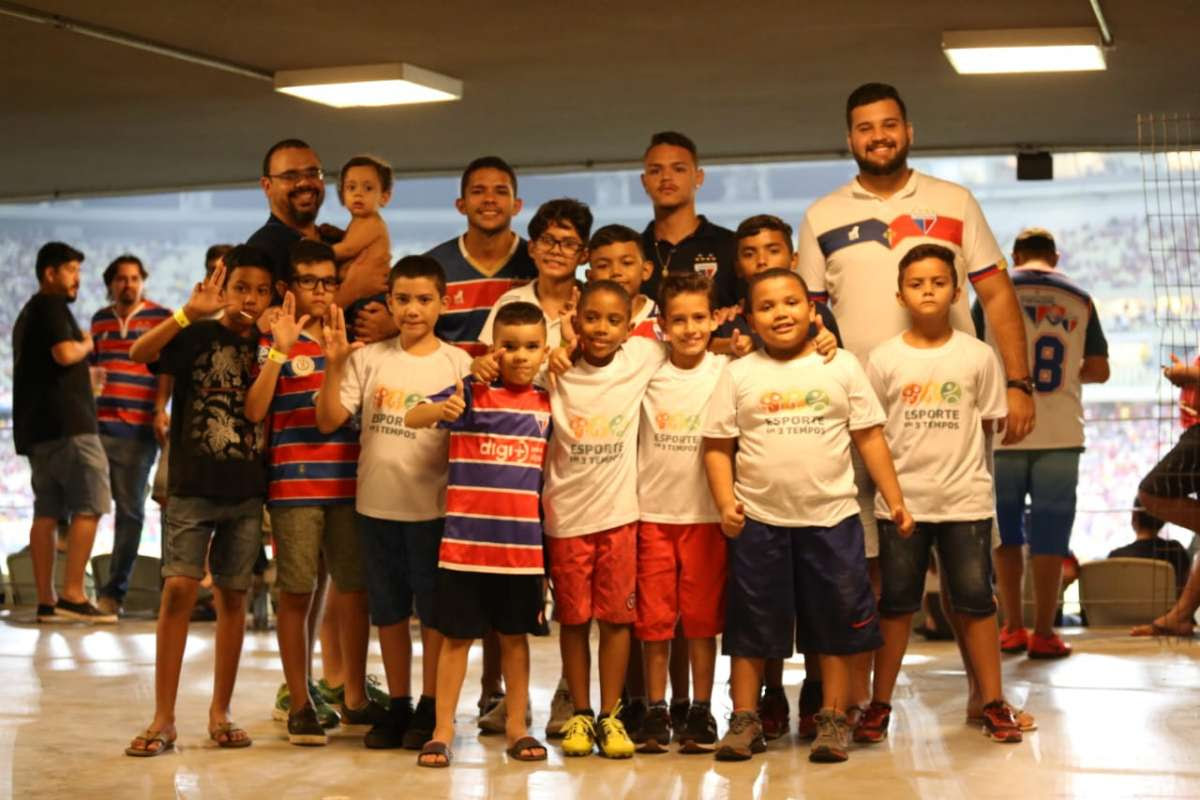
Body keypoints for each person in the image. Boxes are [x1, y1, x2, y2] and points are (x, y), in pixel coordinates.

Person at [797, 81, 1035, 712]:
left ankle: (987, 699)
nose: (879, 136)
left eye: (889, 125)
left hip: (949, 414)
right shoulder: (821, 215)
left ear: (909, 131)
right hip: (860, 419)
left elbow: (997, 296)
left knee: (966, 580)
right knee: (874, 572)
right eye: (865, 128)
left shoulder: (954, 200)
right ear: (849, 139)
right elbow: (806, 317)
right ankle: (860, 702)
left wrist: (1016, 383)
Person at [702, 268, 911, 764]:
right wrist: (725, 502)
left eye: (792, 303)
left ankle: (833, 719)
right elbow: (716, 446)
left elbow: (869, 436)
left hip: (831, 521)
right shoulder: (738, 373)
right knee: (751, 630)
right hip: (759, 523)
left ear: (812, 311)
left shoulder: (841, 367)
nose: (781, 313)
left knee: (836, 628)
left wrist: (894, 498)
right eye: (768, 307)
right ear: (750, 319)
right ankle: (745, 719)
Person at [861, 244, 1021, 745]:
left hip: (966, 503)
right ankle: (879, 705)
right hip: (901, 505)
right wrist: (894, 498)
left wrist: (971, 481)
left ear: (956, 291)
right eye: (916, 283)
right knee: (897, 606)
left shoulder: (978, 356)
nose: (927, 290)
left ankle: (992, 703)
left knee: (976, 602)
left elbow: (989, 430)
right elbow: (872, 433)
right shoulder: (883, 359)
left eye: (937, 282)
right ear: (900, 294)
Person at [315, 255, 472, 750]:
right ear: (389, 302)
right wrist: (335, 362)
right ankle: (399, 704)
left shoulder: (458, 363)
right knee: (387, 613)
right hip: (375, 509)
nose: (412, 309)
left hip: (434, 511)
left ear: (443, 305)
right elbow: (328, 419)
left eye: (424, 299)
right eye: (402, 299)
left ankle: (430, 706)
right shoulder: (369, 359)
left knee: (433, 618)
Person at [124, 245, 273, 755]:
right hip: (190, 486)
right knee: (179, 590)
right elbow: (139, 353)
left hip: (247, 490)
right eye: (240, 288)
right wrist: (189, 311)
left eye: (260, 290)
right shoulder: (196, 332)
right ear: (223, 288)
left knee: (234, 597)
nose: (249, 299)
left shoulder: (274, 342)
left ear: (274, 295)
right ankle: (163, 718)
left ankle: (221, 712)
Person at [244, 240, 382, 746]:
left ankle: (353, 697)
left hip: (351, 485)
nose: (322, 291)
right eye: (310, 281)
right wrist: (280, 349)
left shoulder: (352, 335)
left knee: (354, 590)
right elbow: (255, 411)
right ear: (289, 287)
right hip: (294, 486)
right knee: (297, 591)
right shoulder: (274, 338)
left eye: (329, 281)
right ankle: (300, 702)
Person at [403, 301, 552, 768]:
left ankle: (517, 727)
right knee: (456, 640)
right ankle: (442, 729)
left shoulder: (549, 401)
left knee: (513, 638)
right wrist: (446, 404)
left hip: (522, 553)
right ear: (492, 348)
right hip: (465, 551)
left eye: (531, 347)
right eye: (509, 347)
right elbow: (414, 417)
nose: (520, 356)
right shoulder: (471, 395)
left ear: (546, 351)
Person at [727, 213, 840, 740]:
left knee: (823, 607)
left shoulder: (822, 335)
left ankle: (820, 694)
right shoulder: (731, 331)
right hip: (758, 499)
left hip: (820, 499)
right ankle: (765, 699)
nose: (761, 260)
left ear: (793, 259)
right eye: (749, 253)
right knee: (760, 614)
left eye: (772, 250)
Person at [544, 280, 666, 759]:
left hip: (620, 517)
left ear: (629, 326)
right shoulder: (551, 370)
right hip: (566, 521)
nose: (601, 328)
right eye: (592, 317)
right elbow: (499, 363)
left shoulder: (642, 359)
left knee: (617, 621)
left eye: (614, 320)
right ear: (575, 320)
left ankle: (611, 716)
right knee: (573, 621)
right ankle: (580, 713)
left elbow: (696, 340)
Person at [975, 228, 1110, 659]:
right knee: (1051, 536)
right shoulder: (1080, 298)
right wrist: (1065, 375)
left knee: (1006, 535)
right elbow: (1100, 369)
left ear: (1015, 256)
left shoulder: (993, 294)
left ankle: (1012, 627)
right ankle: (1045, 631)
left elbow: (975, 357)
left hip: (1003, 431)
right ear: (1055, 255)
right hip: (1060, 434)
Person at [633, 272, 727, 754]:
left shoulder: (727, 372)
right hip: (653, 516)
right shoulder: (648, 374)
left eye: (699, 317)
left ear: (714, 319)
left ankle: (701, 709)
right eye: (679, 320)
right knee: (654, 622)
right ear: (662, 326)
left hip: (706, 520)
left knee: (701, 622)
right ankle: (656, 708)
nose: (690, 328)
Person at [13, 241, 114, 623]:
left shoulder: (28, 313)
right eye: (71, 270)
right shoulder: (51, 306)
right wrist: (88, 343)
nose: (77, 278)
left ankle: (46, 601)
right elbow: (64, 354)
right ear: (50, 273)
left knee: (47, 512)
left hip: (39, 431)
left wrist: (81, 381)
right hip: (70, 429)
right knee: (92, 503)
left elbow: (49, 368)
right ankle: (72, 594)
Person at [90, 254, 171, 617]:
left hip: (138, 430)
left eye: (135, 278)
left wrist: (158, 409)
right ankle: (76, 591)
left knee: (130, 512)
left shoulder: (160, 317)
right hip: (98, 426)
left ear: (143, 281)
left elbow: (166, 370)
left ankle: (113, 593)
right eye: (122, 279)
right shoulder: (100, 321)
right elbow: (94, 368)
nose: (129, 284)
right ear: (111, 283)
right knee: (86, 508)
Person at [418, 156, 538, 359]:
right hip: (449, 388)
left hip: (522, 389)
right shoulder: (431, 267)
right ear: (461, 205)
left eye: (500, 191)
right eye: (478, 191)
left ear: (516, 205)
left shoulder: (538, 264)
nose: (489, 199)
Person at [640, 131, 739, 309]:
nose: (666, 177)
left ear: (698, 177)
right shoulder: (633, 252)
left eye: (678, 169)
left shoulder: (732, 246)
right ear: (644, 182)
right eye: (655, 170)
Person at [332, 155, 393, 312]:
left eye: (368, 188)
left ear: (384, 197)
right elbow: (354, 240)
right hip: (357, 294)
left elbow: (348, 249)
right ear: (342, 196)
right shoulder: (359, 222)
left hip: (371, 296)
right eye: (351, 188)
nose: (358, 194)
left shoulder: (372, 222)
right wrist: (337, 233)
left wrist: (318, 251)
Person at [586, 224, 661, 340]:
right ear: (590, 277)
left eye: (626, 263)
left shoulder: (665, 321)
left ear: (646, 270)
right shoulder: (582, 324)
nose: (616, 272)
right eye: (603, 266)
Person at [1110, 502, 1192, 595]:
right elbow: (1186, 590)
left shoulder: (1115, 557)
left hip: (1124, 610)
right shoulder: (1175, 550)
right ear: (1164, 518)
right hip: (1171, 610)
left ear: (1134, 516)